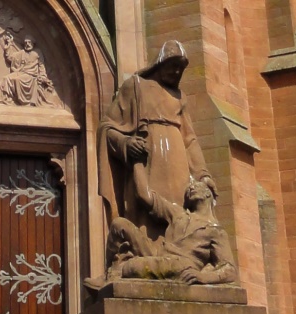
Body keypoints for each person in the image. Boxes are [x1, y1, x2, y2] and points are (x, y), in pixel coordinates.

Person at [99, 41, 217, 240]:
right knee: (145, 207)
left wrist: (202, 174)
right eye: (173, 66)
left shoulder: (180, 97)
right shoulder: (135, 87)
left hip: (178, 168)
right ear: (160, 63)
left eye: (181, 69)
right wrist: (125, 144)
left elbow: (190, 140)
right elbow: (107, 127)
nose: (177, 72)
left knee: (179, 217)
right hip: (147, 163)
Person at [108, 172, 237, 285]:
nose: (191, 187)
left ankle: (121, 271)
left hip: (182, 263)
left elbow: (229, 269)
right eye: (189, 188)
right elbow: (145, 195)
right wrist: (136, 160)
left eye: (197, 186)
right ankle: (109, 274)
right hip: (157, 253)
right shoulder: (178, 213)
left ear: (208, 194)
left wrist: (204, 277)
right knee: (119, 224)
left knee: (133, 267)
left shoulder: (216, 230)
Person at [0, 34, 61, 108]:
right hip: (20, 73)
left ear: (33, 43)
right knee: (6, 78)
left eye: (29, 42)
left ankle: (24, 102)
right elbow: (10, 58)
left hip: (31, 75)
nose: (27, 44)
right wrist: (7, 48)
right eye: (26, 43)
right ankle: (7, 100)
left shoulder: (37, 52)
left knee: (17, 79)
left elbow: (41, 65)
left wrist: (43, 76)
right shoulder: (21, 53)